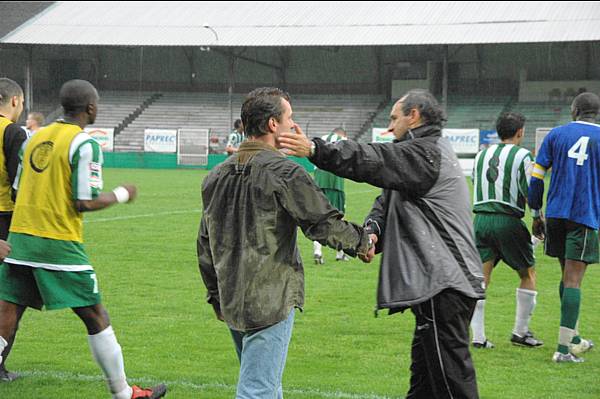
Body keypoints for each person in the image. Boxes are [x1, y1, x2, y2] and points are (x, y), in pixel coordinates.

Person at [279, 89, 484, 399]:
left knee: (451, 384)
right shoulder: (424, 152)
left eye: (394, 117)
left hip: (443, 284)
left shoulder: (425, 153)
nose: (390, 125)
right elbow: (389, 196)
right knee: (425, 383)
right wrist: (373, 231)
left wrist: (315, 150)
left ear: (413, 116)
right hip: (443, 284)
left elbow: (373, 161)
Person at [197, 87, 370, 399]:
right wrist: (361, 241)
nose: (294, 125)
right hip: (269, 298)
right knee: (258, 391)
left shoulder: (215, 176)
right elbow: (322, 223)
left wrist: (215, 297)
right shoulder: (285, 172)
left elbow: (205, 243)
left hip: (232, 298)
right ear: (272, 125)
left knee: (266, 385)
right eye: (289, 118)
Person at [0, 79, 167, 398]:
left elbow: (18, 189)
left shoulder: (33, 138)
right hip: (57, 243)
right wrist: (121, 193)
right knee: (95, 315)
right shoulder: (84, 144)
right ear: (91, 108)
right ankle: (124, 393)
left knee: (6, 316)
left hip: (20, 240)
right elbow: (84, 201)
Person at [529, 92, 600, 363]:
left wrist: (536, 212)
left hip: (556, 214)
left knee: (565, 275)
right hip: (584, 214)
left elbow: (536, 177)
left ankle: (574, 338)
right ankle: (562, 351)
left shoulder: (556, 135)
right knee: (573, 279)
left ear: (575, 110)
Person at [470, 112, 543, 349]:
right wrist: (537, 217)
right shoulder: (522, 155)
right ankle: (520, 333)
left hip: (480, 220)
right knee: (527, 274)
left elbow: (475, 180)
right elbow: (531, 190)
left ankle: (478, 338)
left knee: (481, 279)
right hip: (507, 219)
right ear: (520, 132)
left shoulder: (481, 154)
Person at [0, 77, 28, 382]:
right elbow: (20, 185)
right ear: (16, 101)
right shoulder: (12, 132)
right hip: (5, 221)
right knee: (10, 299)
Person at [313, 127, 349, 264]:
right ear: (343, 134)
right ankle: (340, 253)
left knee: (319, 218)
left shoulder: (321, 138)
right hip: (335, 184)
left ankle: (317, 252)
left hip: (318, 183)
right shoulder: (343, 141)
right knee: (338, 218)